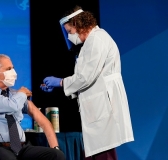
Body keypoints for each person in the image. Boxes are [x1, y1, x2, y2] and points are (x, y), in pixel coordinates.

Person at [40, 5, 134, 160]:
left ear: (77, 24)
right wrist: (63, 86)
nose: (70, 36)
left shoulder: (96, 39)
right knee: (98, 150)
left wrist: (60, 82)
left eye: (69, 31)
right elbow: (90, 78)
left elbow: (85, 77)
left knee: (102, 150)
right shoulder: (94, 40)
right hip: (100, 101)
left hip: (103, 104)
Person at [0, 54, 65, 160]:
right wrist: (21, 94)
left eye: (13, 68)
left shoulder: (14, 95)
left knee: (56, 156)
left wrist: (56, 147)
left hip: (21, 148)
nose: (13, 73)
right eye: (8, 69)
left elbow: (42, 120)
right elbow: (11, 106)